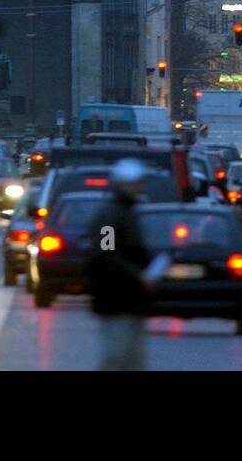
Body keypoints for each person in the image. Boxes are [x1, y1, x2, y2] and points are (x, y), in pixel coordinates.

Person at [87, 158, 153, 370]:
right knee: (116, 355)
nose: (138, 187)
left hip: (129, 297)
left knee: (132, 358)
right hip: (115, 295)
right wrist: (137, 274)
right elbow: (106, 254)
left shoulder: (129, 212)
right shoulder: (111, 216)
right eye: (134, 183)